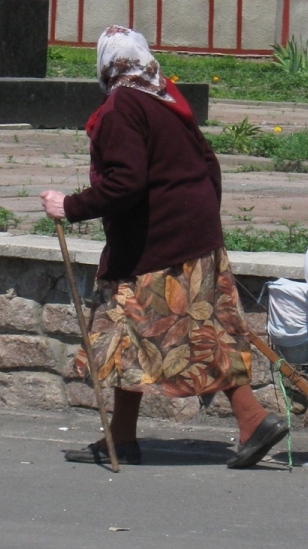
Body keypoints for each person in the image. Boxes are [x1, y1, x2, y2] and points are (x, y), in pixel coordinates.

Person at [41, 25, 288, 468]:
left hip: (157, 244)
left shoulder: (122, 106)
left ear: (105, 65)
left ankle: (250, 420)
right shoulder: (164, 96)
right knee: (197, 330)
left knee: (129, 330)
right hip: (194, 234)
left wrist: (70, 206)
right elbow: (209, 164)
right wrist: (201, 221)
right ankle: (127, 437)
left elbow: (126, 181)